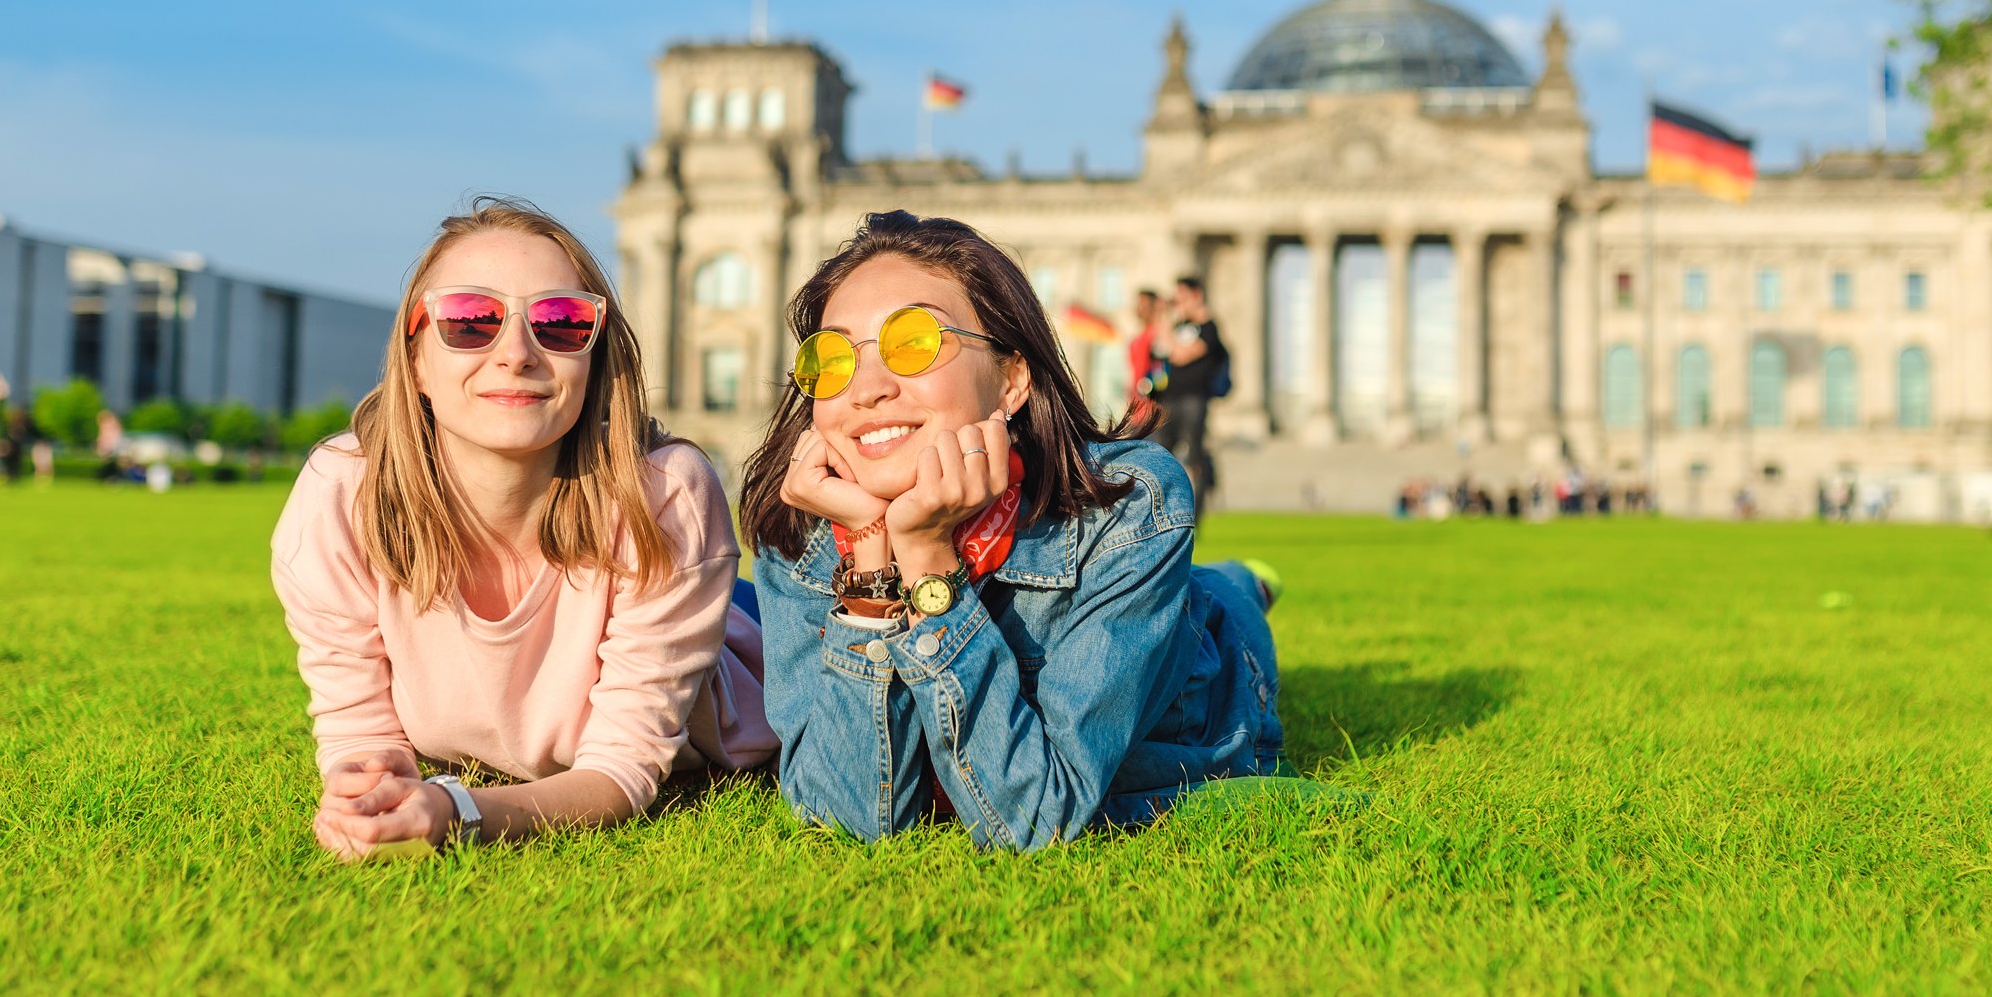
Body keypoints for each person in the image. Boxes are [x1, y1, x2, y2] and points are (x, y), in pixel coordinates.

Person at [741, 210, 1282, 849]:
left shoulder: (1128, 506)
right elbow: (852, 816)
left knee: (1222, 598)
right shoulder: (800, 530)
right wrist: (870, 565)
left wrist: (927, 559)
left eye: (912, 343)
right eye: (830, 359)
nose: (867, 389)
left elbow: (1031, 815)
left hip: (1209, 664)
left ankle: (1241, 583)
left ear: (1010, 380)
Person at [272, 198, 775, 863]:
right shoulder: (341, 496)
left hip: (733, 627)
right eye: (470, 320)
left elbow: (623, 767)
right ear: (416, 358)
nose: (515, 353)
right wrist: (372, 798)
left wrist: (459, 811)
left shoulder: (665, 496)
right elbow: (360, 735)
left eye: (560, 323)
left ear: (594, 358)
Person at [1150, 276, 1227, 509]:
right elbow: (1160, 354)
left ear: (1197, 296)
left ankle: (1198, 508)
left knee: (1194, 454)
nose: (1177, 304)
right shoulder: (1178, 327)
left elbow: (1182, 355)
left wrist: (1166, 330)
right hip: (1169, 399)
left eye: (1181, 298)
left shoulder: (1209, 328)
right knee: (1159, 452)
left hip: (1194, 399)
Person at [1124, 288, 1164, 429]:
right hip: (1136, 407)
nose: (1138, 308)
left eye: (1143, 304)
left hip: (1151, 407)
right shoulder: (1138, 337)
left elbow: (1160, 372)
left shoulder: (1158, 334)